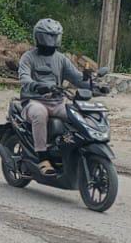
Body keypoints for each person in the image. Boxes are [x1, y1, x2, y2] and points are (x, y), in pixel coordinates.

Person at [16, 18, 90, 177]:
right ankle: (43, 158)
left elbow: (77, 78)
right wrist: (37, 86)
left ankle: (69, 149)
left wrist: (95, 84)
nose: (53, 40)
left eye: (55, 36)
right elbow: (24, 78)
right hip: (34, 101)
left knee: (77, 115)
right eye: (49, 36)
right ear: (39, 37)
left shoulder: (61, 59)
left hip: (57, 102)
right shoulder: (28, 57)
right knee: (39, 114)